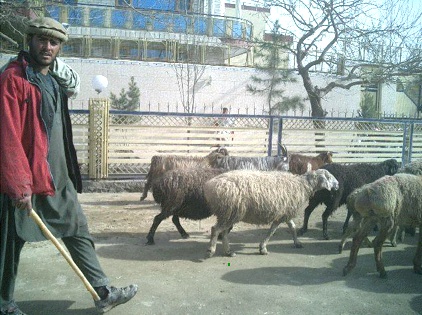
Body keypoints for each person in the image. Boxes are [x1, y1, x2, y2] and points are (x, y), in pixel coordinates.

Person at [0, 17, 138, 315]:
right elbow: (7, 135)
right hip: (23, 180)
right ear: (30, 41)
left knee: (77, 227)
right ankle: (4, 304)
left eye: (53, 42)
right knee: (9, 245)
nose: (47, 46)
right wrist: (18, 185)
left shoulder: (51, 80)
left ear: (60, 46)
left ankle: (103, 291)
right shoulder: (14, 78)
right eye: (41, 40)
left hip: (56, 179)